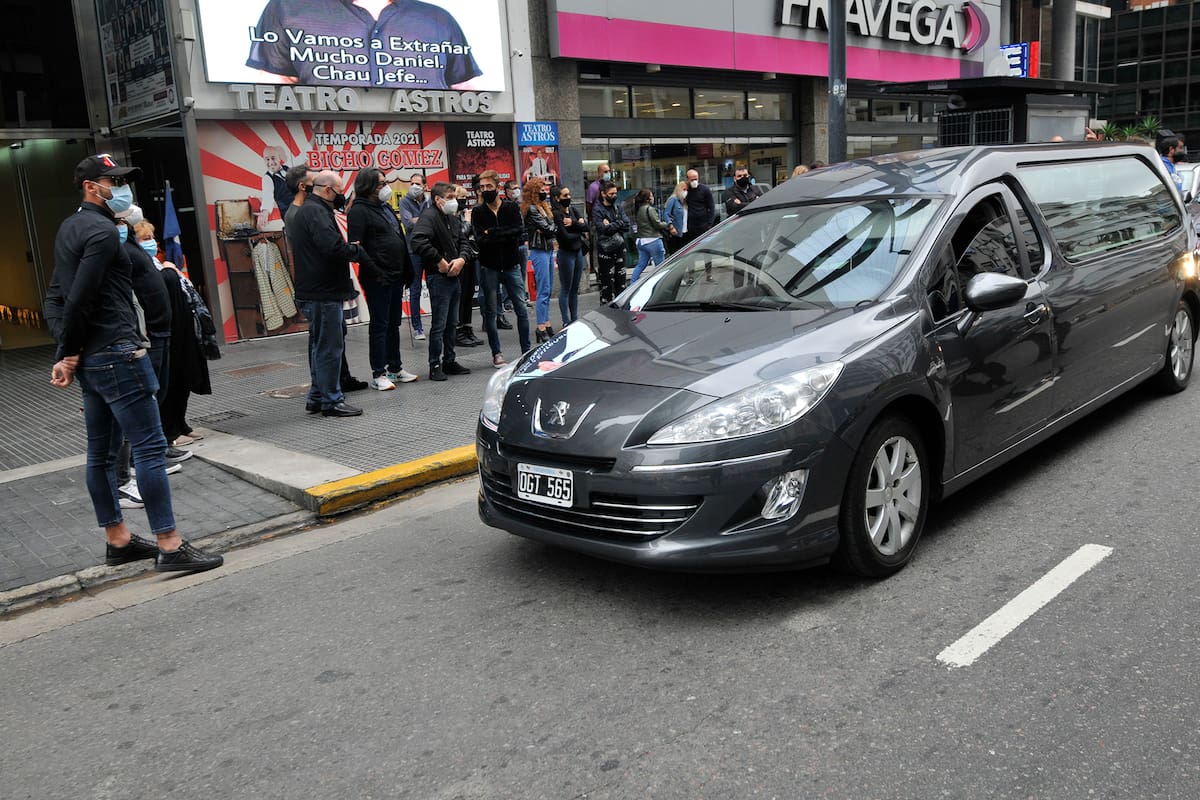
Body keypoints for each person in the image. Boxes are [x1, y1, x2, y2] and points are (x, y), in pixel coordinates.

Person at [43, 153, 222, 573]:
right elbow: (79, 298)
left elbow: (56, 297)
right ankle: (170, 544)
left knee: (101, 454)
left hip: (95, 358)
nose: (121, 188)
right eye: (113, 181)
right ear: (91, 186)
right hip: (118, 353)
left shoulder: (71, 228)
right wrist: (68, 352)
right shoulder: (103, 233)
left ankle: (118, 540)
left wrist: (68, 353)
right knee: (149, 447)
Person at [291, 169, 378, 417]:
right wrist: (353, 249)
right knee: (329, 348)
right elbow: (331, 247)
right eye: (340, 191)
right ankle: (331, 400)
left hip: (319, 290)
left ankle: (318, 396)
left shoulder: (311, 210)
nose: (342, 196)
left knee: (322, 346)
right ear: (328, 190)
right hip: (322, 292)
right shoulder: (316, 212)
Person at [246, 0, 482, 90]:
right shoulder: (288, 7)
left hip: (429, 138)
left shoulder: (438, 17)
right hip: (326, 147)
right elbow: (272, 86)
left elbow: (466, 90)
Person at [112, 208, 176, 510]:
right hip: (143, 338)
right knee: (137, 406)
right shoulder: (118, 248)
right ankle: (129, 475)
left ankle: (148, 462)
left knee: (157, 395)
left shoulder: (134, 248)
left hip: (159, 331)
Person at [134, 220, 213, 448]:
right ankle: (169, 430)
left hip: (181, 327)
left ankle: (180, 423)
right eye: (145, 239)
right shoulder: (143, 268)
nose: (152, 243)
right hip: (163, 330)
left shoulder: (158, 264)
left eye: (152, 238)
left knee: (183, 377)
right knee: (168, 383)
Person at [347, 167, 419, 391]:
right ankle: (378, 373)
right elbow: (356, 248)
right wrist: (377, 271)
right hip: (378, 278)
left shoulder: (385, 207)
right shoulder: (358, 211)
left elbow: (399, 236)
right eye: (380, 183)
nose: (385, 187)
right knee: (380, 325)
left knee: (394, 323)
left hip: (397, 275)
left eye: (385, 182)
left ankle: (395, 368)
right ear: (367, 186)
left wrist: (408, 270)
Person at [411, 182, 476, 380]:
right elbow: (418, 240)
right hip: (438, 277)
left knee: (452, 323)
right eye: (449, 198)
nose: (454, 201)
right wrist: (438, 260)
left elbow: (464, 241)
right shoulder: (429, 217)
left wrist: (462, 259)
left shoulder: (452, 218)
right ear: (438, 199)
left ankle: (449, 360)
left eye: (453, 197)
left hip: (455, 275)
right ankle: (435, 364)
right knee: (439, 324)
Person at [473, 170, 531, 367]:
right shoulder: (478, 212)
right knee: (490, 312)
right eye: (482, 187)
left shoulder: (511, 207)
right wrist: (501, 235)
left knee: (521, 309)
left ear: (497, 187)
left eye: (489, 186)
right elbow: (480, 239)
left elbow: (518, 232)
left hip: (511, 265)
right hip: (489, 267)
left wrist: (495, 232)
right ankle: (496, 353)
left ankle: (526, 351)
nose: (485, 190)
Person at [522, 177, 557, 343]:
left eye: (545, 189)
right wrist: (550, 228)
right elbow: (548, 228)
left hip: (548, 249)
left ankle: (546, 322)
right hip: (539, 250)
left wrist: (550, 228)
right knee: (543, 289)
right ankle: (541, 326)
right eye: (541, 190)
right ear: (534, 192)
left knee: (548, 289)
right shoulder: (531, 209)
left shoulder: (543, 207)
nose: (545, 192)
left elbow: (552, 227)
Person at [552, 184, 588, 328]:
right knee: (566, 288)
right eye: (565, 195)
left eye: (569, 194)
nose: (569, 197)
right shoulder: (556, 214)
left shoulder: (573, 210)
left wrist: (573, 223)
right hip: (566, 253)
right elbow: (565, 237)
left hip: (578, 252)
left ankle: (574, 318)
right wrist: (578, 229)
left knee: (575, 288)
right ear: (557, 198)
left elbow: (586, 227)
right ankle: (566, 321)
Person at [453, 183, 484, 349]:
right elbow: (461, 235)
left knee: (468, 294)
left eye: (465, 197)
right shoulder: (453, 216)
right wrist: (467, 223)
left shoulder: (463, 214)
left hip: (470, 257)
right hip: (459, 259)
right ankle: (458, 331)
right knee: (461, 295)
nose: (463, 201)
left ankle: (467, 327)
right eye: (460, 197)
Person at [399, 173, 428, 340]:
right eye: (412, 183)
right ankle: (418, 328)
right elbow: (408, 224)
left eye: (417, 183)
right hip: (413, 250)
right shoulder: (404, 201)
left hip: (429, 248)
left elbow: (434, 222)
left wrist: (420, 219)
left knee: (435, 286)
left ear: (424, 185)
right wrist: (425, 220)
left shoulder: (429, 201)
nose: (414, 186)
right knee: (415, 289)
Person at [592, 181, 630, 303]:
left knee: (621, 283)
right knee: (607, 285)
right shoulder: (597, 209)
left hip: (620, 248)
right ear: (603, 194)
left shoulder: (618, 207)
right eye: (611, 193)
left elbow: (627, 224)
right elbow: (602, 229)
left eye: (615, 193)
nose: (614, 195)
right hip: (605, 250)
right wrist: (618, 223)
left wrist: (612, 224)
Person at [631, 188, 671, 283]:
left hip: (641, 241)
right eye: (651, 196)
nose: (653, 198)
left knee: (641, 265)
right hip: (653, 240)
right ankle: (660, 285)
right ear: (647, 199)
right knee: (660, 266)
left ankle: (632, 283)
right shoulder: (650, 209)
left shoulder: (638, 209)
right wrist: (667, 224)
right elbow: (657, 224)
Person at [683, 169, 716, 282]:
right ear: (687, 179)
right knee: (690, 252)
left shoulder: (705, 190)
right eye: (692, 179)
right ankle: (691, 275)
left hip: (704, 226)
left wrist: (710, 224)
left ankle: (709, 274)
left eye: (696, 179)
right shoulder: (685, 191)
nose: (694, 181)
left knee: (707, 252)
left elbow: (711, 207)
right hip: (690, 227)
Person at [259, 145, 291, 229]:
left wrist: (314, 136)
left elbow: (303, 156)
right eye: (267, 159)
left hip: (303, 210)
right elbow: (267, 197)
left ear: (279, 158)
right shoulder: (267, 178)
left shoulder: (288, 168)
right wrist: (264, 213)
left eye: (273, 158)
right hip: (290, 215)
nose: (271, 162)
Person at [664, 181, 688, 255]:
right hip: (676, 232)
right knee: (676, 253)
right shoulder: (673, 199)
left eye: (687, 190)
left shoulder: (685, 202)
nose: (686, 192)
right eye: (684, 190)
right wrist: (671, 227)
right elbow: (666, 214)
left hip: (685, 232)